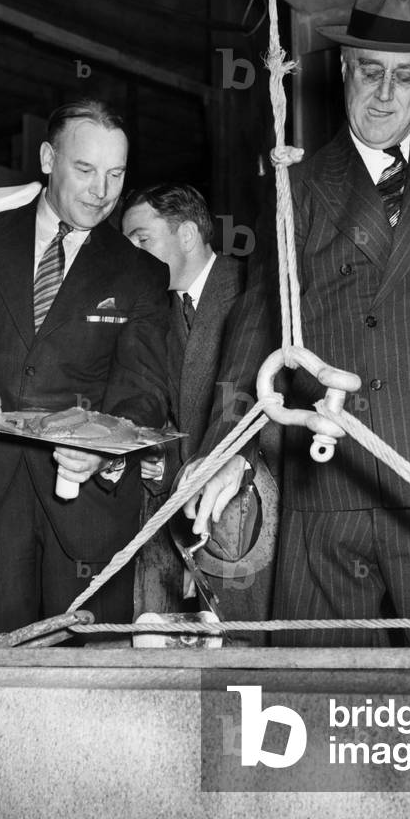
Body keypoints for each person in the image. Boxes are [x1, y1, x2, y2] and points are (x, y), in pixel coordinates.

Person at [188, 0, 410, 646]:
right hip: (327, 489)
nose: (385, 94)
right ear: (342, 68)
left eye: (406, 75)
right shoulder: (297, 183)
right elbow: (258, 324)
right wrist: (228, 446)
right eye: (369, 71)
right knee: (317, 712)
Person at [0, 99, 169, 645]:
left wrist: (105, 446)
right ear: (47, 158)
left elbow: (146, 389)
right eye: (85, 170)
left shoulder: (142, 274)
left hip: (89, 513)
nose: (101, 191)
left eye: (116, 174)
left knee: (88, 698)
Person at [121, 183, 255, 617]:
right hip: (167, 511)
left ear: (187, 236)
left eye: (141, 239)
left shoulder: (254, 290)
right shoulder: (150, 309)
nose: (131, 253)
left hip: (243, 511)